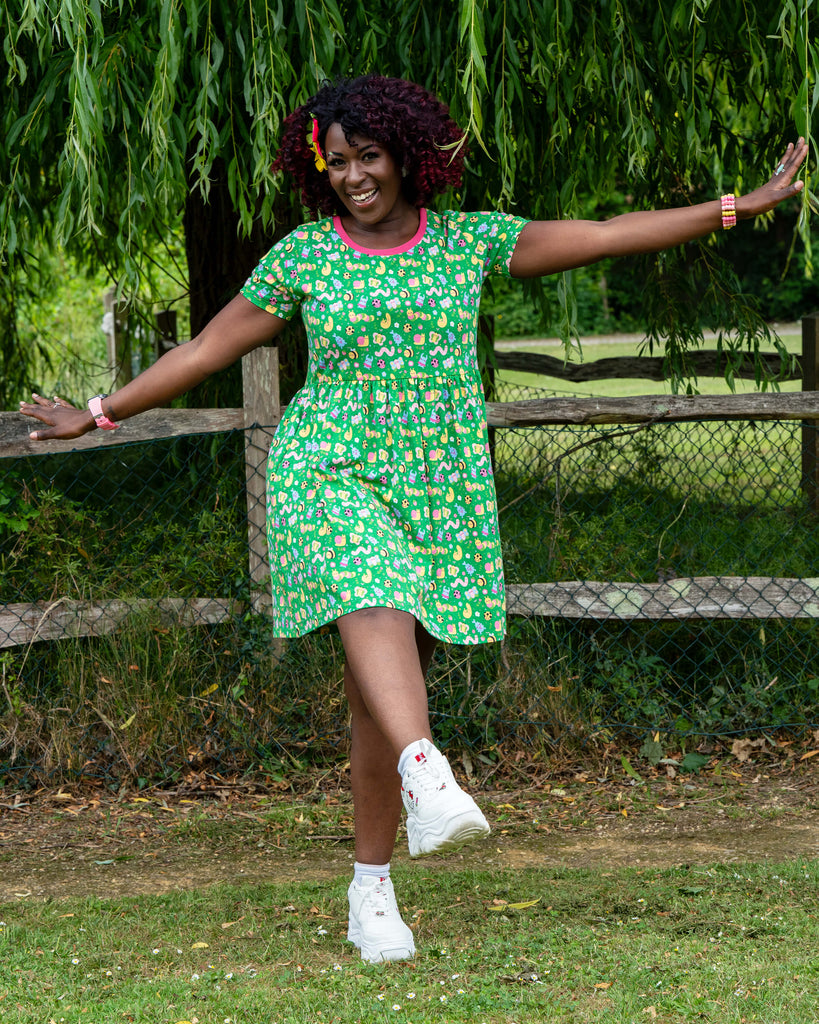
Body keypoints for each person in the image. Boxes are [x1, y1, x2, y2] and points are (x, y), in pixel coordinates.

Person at [20, 75, 807, 963]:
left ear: (405, 155)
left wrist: (734, 207)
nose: (355, 176)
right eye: (338, 162)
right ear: (319, 169)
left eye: (369, 156)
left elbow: (606, 233)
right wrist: (98, 412)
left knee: (379, 705)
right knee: (371, 591)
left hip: (438, 484)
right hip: (328, 467)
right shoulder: (304, 256)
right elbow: (206, 347)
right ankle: (429, 772)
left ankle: (371, 890)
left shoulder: (468, 243)